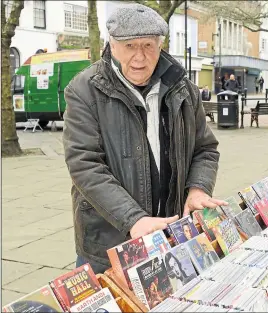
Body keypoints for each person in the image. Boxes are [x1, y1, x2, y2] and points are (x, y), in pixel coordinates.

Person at [63, 3, 226, 274]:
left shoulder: (183, 88)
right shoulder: (84, 90)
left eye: (148, 46)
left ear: (160, 46)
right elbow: (85, 165)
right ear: (112, 46)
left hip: (171, 233)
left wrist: (198, 188)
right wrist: (134, 220)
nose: (139, 57)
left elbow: (205, 149)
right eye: (129, 46)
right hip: (109, 242)